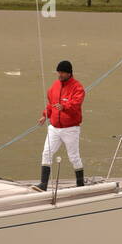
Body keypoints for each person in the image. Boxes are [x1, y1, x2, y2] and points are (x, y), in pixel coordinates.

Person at [38, 60, 86, 189]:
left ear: (69, 73)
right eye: (58, 72)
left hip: (71, 129)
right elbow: (51, 103)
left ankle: (80, 184)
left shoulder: (77, 87)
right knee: (46, 153)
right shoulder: (55, 86)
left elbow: (76, 104)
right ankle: (43, 184)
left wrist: (64, 106)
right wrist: (45, 115)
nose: (59, 75)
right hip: (54, 128)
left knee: (73, 157)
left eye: (62, 72)